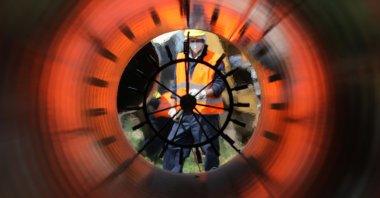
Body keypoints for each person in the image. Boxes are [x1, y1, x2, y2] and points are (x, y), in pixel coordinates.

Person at [163, 29, 226, 173]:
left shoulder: (215, 59)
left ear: (204, 41)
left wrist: (204, 93)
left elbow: (220, 84)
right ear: (187, 42)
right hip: (183, 114)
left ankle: (212, 180)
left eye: (199, 40)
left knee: (209, 149)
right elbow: (176, 85)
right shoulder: (180, 58)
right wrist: (173, 108)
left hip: (205, 114)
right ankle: (171, 179)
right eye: (192, 41)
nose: (195, 44)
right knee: (173, 145)